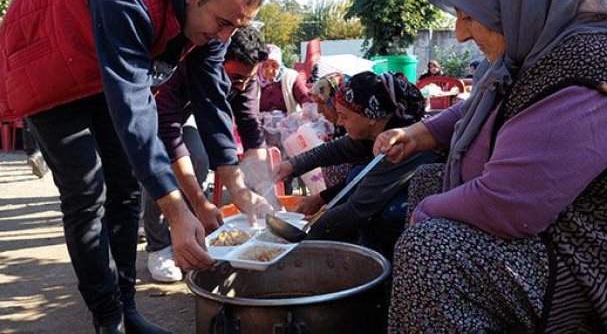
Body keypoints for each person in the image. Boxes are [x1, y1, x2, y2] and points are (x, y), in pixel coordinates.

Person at [373, 0, 607, 332]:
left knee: (430, 250)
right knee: (427, 180)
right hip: (556, 231)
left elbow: (510, 203)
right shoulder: (541, 51)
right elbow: (485, 110)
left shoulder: (596, 70)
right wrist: (419, 134)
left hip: (595, 264)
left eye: (470, 15)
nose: (461, 33)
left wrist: (423, 215)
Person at [0, 0, 269, 334]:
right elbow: (132, 102)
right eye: (223, 24)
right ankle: (109, 321)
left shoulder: (215, 13)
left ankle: (128, 309)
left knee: (124, 189)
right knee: (87, 193)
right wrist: (177, 210)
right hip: (48, 61)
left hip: (97, 69)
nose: (225, 37)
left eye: (236, 27)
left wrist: (236, 181)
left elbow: (212, 97)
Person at [144, 25, 274, 282]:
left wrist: (262, 189)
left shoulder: (244, 78)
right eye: (237, 78)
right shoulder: (179, 65)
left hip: (190, 112)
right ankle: (159, 246)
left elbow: (250, 128)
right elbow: (169, 137)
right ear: (216, 60)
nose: (243, 85)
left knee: (200, 158)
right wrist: (199, 202)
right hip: (154, 114)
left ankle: (186, 229)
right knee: (158, 168)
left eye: (249, 79)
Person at [274, 72, 439, 260]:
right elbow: (333, 150)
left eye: (344, 116)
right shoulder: (375, 130)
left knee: (381, 211)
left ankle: (389, 264)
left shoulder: (400, 145)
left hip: (423, 223)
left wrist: (305, 232)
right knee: (356, 178)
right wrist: (290, 166)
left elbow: (357, 209)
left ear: (370, 117)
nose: (339, 122)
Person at [257, 44, 310, 113]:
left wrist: (309, 110)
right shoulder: (253, 81)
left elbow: (304, 97)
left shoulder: (291, 77)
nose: (270, 70)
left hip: (289, 122)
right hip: (259, 122)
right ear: (260, 66)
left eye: (274, 65)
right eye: (265, 65)